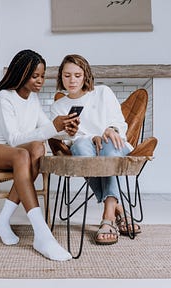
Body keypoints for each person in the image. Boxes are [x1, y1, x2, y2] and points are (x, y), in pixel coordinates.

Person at [0, 49, 79, 261]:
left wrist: (67, 129)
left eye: (43, 76)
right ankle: (42, 234)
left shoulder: (33, 100)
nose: (40, 81)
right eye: (35, 76)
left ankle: (2, 220)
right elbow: (13, 139)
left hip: (11, 152)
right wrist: (52, 128)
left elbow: (46, 128)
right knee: (22, 155)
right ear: (21, 74)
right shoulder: (3, 97)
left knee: (37, 148)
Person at [50, 54, 141, 245]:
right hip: (86, 149)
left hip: (112, 145)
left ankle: (107, 217)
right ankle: (119, 210)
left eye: (77, 75)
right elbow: (63, 138)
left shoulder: (103, 92)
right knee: (82, 146)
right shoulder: (58, 106)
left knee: (109, 147)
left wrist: (110, 130)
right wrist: (91, 137)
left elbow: (119, 122)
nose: (72, 80)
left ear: (85, 76)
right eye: (67, 75)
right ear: (61, 76)